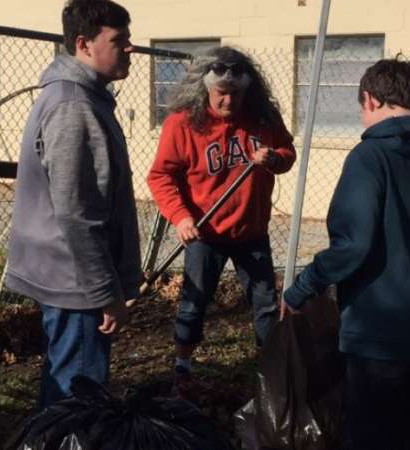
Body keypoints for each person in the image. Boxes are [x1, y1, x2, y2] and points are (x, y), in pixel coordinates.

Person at [283, 58, 410, 450]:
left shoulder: (369, 158)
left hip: (382, 334)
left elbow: (353, 244)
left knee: (373, 434)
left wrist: (301, 289)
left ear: (370, 99)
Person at [6, 0, 141, 409]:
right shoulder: (74, 106)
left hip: (69, 276)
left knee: (64, 384)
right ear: (84, 44)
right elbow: (76, 213)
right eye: (119, 40)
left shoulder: (86, 96)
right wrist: (105, 292)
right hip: (74, 282)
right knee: (78, 397)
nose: (130, 48)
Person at [147, 46, 296, 397]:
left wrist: (274, 158)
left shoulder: (262, 119)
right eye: (222, 94)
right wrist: (180, 218)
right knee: (193, 302)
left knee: (264, 303)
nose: (229, 102)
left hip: (251, 231)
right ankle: (182, 369)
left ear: (249, 90)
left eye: (237, 94)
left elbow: (287, 151)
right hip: (204, 232)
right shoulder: (182, 123)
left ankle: (270, 370)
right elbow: (160, 177)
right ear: (205, 89)